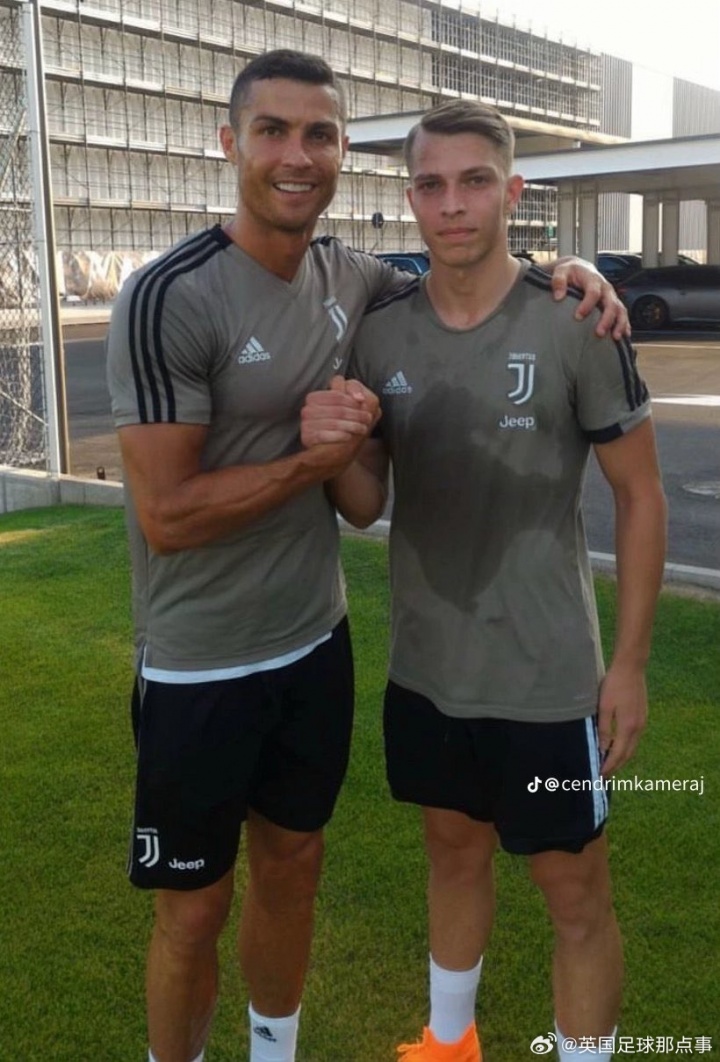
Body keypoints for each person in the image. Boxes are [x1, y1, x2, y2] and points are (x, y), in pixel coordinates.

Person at [106, 48, 632, 1062]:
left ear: (344, 151)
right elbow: (165, 516)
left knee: (294, 866)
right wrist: (314, 462)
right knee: (192, 910)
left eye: (320, 134)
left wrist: (574, 273)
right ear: (229, 143)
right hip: (198, 660)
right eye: (272, 130)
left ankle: (275, 1052)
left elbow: (469, 273)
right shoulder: (167, 294)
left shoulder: (353, 280)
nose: (297, 155)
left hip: (315, 643)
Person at [301, 99, 667, 1062]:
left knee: (574, 892)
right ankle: (450, 1042)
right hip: (428, 669)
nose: (452, 204)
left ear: (512, 191)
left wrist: (629, 665)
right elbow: (365, 503)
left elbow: (640, 496)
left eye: (474, 182)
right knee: (453, 854)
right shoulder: (380, 333)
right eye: (431, 185)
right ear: (410, 198)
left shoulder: (576, 319)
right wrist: (329, 449)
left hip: (548, 679)